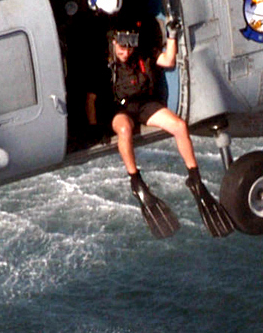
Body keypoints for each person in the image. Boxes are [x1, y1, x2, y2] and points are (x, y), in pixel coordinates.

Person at [91, 24, 233, 238]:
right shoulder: (105, 63)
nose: (125, 52)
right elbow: (90, 100)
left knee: (179, 126)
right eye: (121, 48)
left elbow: (168, 61)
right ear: (113, 43)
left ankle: (194, 179)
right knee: (124, 129)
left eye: (129, 48)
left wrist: (172, 36)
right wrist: (95, 128)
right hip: (121, 109)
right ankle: (136, 180)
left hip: (145, 105)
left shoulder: (144, 54)